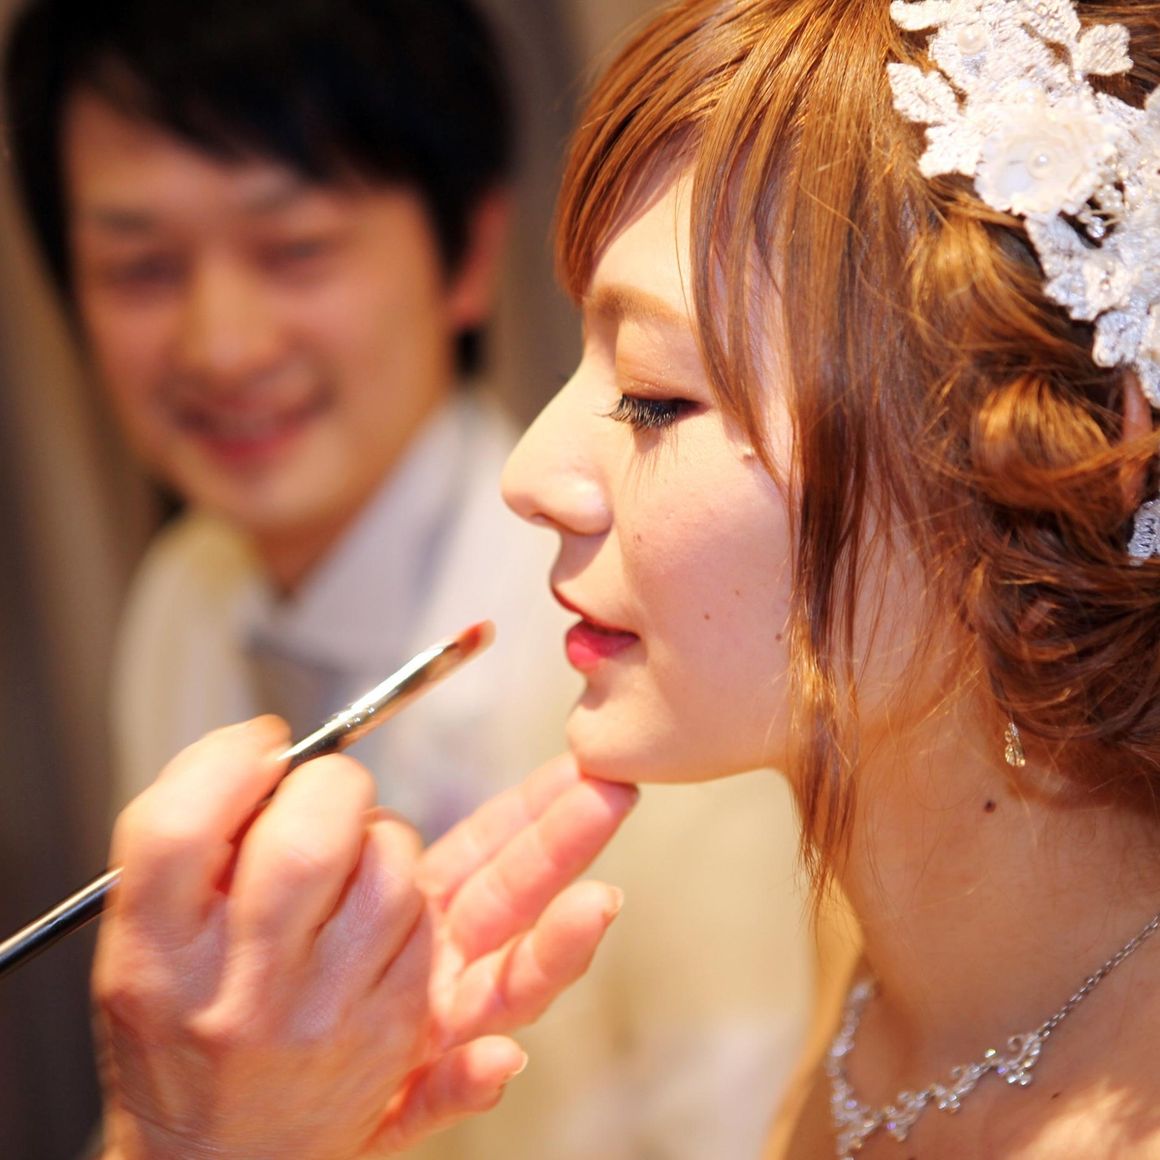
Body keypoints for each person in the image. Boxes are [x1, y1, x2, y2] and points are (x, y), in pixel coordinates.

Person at [3, 0, 816, 1155]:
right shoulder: (180, 600)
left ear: (466, 254)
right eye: (140, 267)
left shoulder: (668, 650)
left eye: (295, 249)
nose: (220, 343)